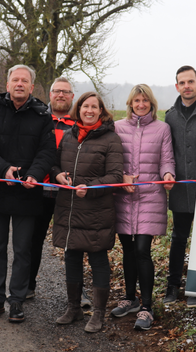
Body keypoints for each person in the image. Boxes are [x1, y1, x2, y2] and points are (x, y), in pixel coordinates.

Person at [0, 64, 56, 323]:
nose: (19, 84)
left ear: (32, 87)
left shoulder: (43, 116)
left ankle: (17, 300)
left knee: (23, 249)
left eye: (24, 81)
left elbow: (47, 151)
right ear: (7, 84)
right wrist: (3, 170)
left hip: (28, 192)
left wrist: (34, 174)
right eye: (15, 80)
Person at [52, 91, 123, 333]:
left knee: (98, 259)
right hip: (69, 208)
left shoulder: (111, 139)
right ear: (78, 109)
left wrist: (90, 188)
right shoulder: (70, 136)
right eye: (85, 106)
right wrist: (57, 174)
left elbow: (115, 176)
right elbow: (54, 162)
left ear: (101, 111)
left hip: (96, 211)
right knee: (71, 257)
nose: (89, 110)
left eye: (94, 107)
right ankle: (73, 308)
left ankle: (98, 314)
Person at [110, 84, 176, 330]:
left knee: (142, 249)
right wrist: (122, 176)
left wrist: (168, 174)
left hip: (149, 197)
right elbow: (113, 160)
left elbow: (166, 158)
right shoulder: (117, 127)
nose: (140, 104)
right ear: (130, 103)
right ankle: (130, 298)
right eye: (136, 100)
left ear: (151, 103)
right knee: (127, 248)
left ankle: (147, 307)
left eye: (144, 100)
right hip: (123, 197)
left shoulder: (162, 129)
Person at [27, 76, 77, 300]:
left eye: (65, 92)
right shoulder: (37, 118)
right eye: (57, 91)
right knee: (33, 240)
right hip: (39, 189)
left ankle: (77, 292)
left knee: (73, 242)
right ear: (50, 94)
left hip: (69, 191)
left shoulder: (79, 123)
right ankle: (27, 286)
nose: (61, 95)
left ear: (72, 97)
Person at [164, 65, 196, 308]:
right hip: (180, 190)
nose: (187, 86)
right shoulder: (170, 116)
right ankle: (172, 286)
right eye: (182, 82)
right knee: (178, 238)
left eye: (191, 81)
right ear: (177, 86)